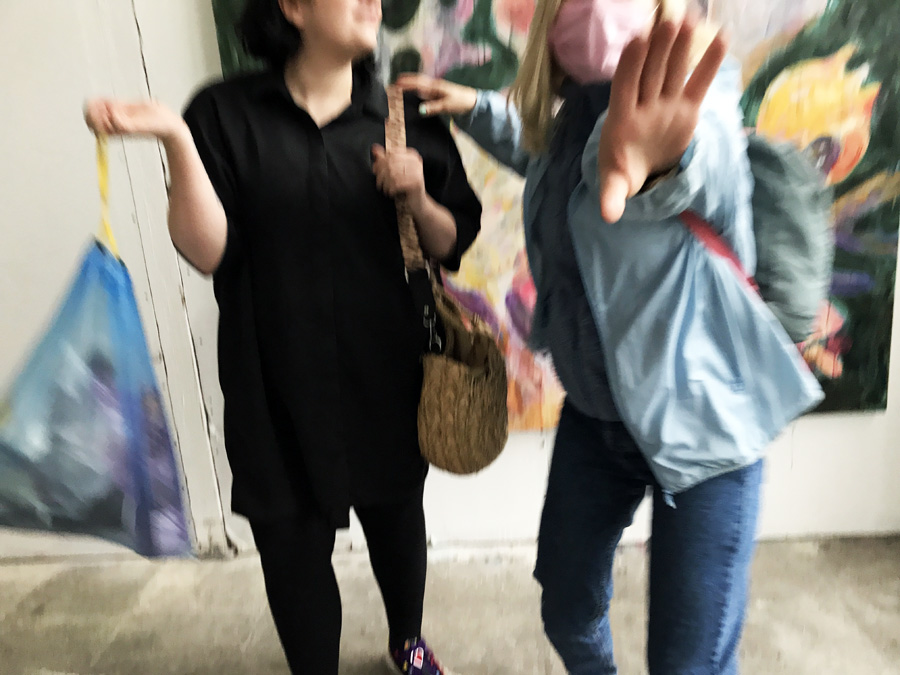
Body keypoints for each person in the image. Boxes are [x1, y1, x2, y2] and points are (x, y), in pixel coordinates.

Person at [399, 0, 823, 672]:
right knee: (567, 610)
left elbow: (694, 159)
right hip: (598, 418)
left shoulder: (700, 109)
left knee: (689, 663)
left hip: (707, 433)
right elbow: (542, 149)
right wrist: (474, 107)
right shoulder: (572, 121)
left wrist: (656, 165)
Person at [85, 0, 482, 672]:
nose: (372, 3)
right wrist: (176, 138)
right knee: (291, 547)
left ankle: (407, 640)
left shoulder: (405, 116)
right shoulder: (221, 113)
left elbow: (450, 241)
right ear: (294, 8)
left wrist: (418, 196)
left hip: (384, 370)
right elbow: (207, 252)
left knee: (395, 514)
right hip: (272, 378)